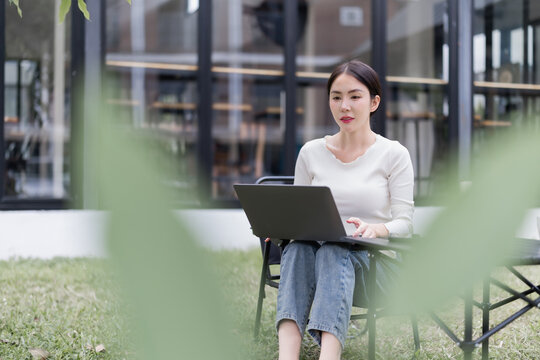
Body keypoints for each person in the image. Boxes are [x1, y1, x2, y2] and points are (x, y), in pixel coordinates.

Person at [274, 60, 414, 360]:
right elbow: (299, 214)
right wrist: (280, 227)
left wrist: (378, 228)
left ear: (374, 102)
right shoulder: (311, 152)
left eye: (354, 96)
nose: (344, 106)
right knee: (299, 248)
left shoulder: (394, 154)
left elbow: (405, 222)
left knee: (334, 249)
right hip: (316, 264)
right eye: (336, 97)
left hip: (375, 268)